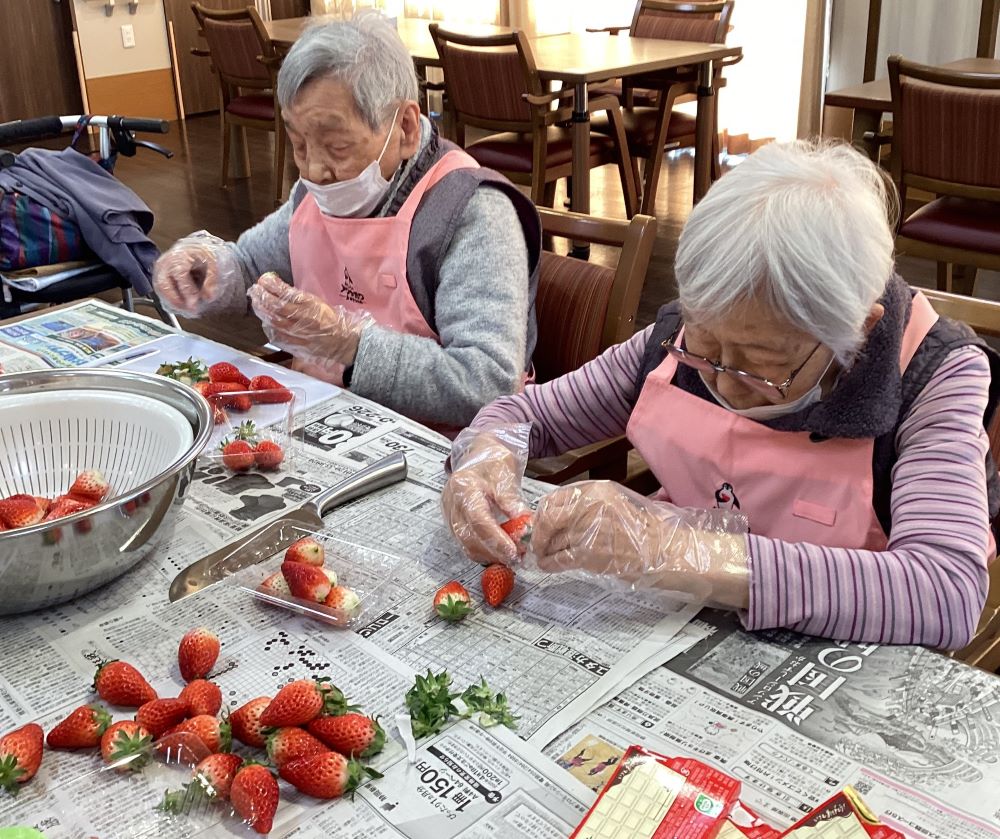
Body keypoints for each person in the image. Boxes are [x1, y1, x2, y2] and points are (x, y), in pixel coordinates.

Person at [443, 140, 1000, 650]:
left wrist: (677, 549)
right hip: (679, 631)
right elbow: (525, 415)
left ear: (857, 329)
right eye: (703, 343)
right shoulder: (679, 341)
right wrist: (486, 455)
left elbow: (944, 592)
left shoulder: (934, 377)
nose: (722, 381)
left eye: (762, 365)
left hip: (845, 655)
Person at [152, 13, 540, 430]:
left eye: (336, 146)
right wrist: (208, 269)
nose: (315, 170)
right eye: (299, 145)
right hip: (328, 414)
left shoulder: (471, 212)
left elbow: (485, 382)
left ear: (406, 128)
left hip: (447, 446)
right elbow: (250, 266)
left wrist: (349, 344)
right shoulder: (315, 195)